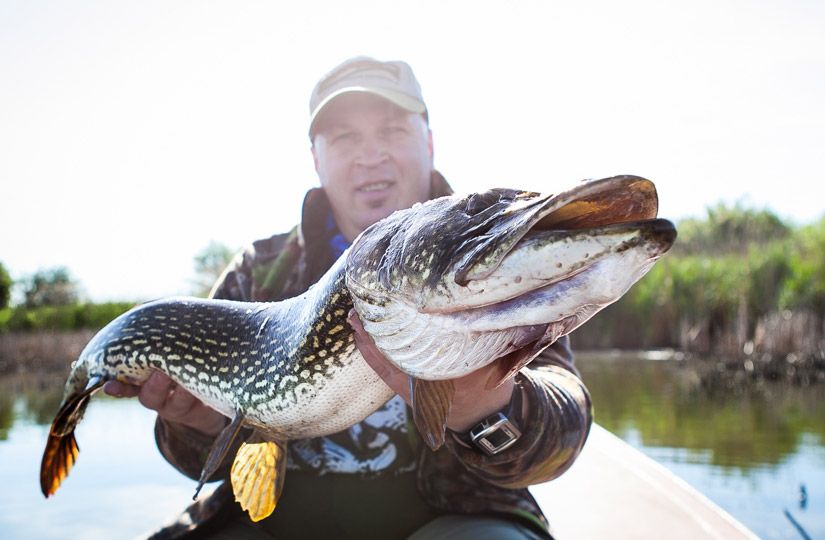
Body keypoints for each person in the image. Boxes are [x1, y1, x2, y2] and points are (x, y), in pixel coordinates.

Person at [104, 56, 592, 539]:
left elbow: (562, 438)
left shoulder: (486, 259)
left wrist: (485, 408)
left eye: (392, 130)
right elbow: (198, 468)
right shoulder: (259, 272)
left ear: (429, 142)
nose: (370, 155)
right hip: (276, 524)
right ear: (316, 158)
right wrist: (198, 425)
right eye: (344, 137)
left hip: (458, 516)